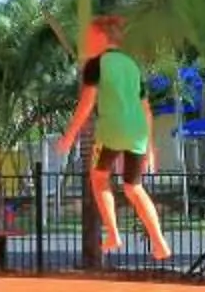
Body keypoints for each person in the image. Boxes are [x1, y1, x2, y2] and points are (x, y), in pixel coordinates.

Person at [56, 15, 169, 260]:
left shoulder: (96, 64)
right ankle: (160, 243)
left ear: (100, 36)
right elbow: (146, 108)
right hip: (138, 130)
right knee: (134, 187)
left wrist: (70, 136)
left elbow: (86, 105)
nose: (85, 40)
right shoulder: (132, 65)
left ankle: (114, 233)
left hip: (112, 130)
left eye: (88, 36)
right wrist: (150, 148)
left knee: (98, 178)